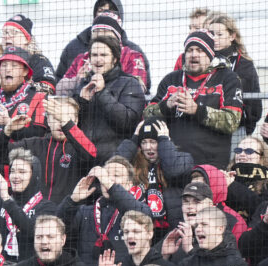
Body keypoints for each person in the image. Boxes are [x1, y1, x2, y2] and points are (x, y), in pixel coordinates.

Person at [144, 30, 243, 168]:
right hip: (173, 163)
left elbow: (232, 121)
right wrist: (165, 106)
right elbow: (147, 114)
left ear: (210, 54)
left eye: (200, 50)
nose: (193, 54)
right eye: (189, 50)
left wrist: (197, 110)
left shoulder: (228, 78)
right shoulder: (171, 80)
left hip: (211, 165)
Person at [60, 156, 152, 266]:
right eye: (106, 175)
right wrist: (72, 200)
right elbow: (57, 228)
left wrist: (109, 184)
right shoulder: (84, 211)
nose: (108, 179)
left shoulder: (138, 209)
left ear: (129, 185)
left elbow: (142, 215)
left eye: (116, 175)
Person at [69, 35, 145, 163]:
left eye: (103, 55)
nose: (98, 59)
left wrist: (102, 93)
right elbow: (74, 126)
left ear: (114, 59)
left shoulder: (130, 83)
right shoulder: (83, 85)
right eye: (94, 55)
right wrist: (82, 102)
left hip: (115, 161)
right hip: (82, 163)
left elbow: (127, 122)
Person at [114, 120, 193, 236]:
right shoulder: (133, 163)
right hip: (138, 230)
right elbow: (113, 168)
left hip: (171, 230)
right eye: (143, 142)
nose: (148, 147)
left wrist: (164, 141)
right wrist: (133, 141)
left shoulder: (184, 158)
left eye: (153, 142)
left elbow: (173, 170)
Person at [56, 12, 150, 94]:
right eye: (96, 31)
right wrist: (78, 80)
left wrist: (102, 84)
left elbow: (138, 88)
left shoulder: (132, 56)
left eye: (105, 31)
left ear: (116, 36)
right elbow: (60, 89)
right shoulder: (82, 58)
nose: (100, 35)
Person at [204, 13, 261, 135]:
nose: (214, 38)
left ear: (232, 36)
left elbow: (254, 105)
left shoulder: (244, 63)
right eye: (212, 34)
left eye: (219, 34)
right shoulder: (204, 60)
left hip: (235, 128)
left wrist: (245, 126)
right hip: (206, 127)